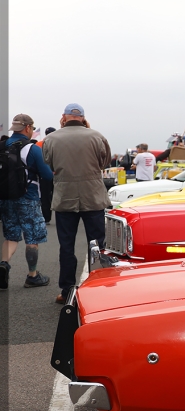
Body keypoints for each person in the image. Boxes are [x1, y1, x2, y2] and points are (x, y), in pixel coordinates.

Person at [42, 103, 112, 303]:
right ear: (82, 117)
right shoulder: (96, 136)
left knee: (66, 246)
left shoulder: (51, 139)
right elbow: (104, 162)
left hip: (65, 196)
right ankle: (98, 288)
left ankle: (66, 291)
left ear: (63, 117)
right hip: (93, 195)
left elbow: (50, 164)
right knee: (97, 244)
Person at [1, 114, 53, 288]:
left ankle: (3, 265)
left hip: (6, 197)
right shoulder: (32, 149)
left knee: (11, 236)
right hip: (28, 197)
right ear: (28, 128)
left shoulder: (2, 146)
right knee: (32, 236)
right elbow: (47, 175)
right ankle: (32, 275)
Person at [38, 126, 56, 223]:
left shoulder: (39, 144)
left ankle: (46, 217)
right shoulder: (58, 143)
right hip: (57, 173)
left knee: (45, 196)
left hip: (44, 174)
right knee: (58, 195)